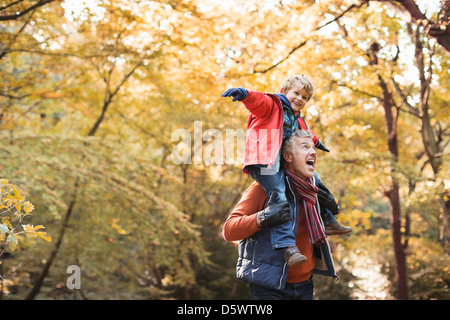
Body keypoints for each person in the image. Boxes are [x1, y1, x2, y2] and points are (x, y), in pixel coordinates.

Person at [221, 75, 351, 267]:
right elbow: (258, 101)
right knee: (279, 193)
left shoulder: (298, 119)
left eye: (305, 97)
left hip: (281, 163)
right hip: (263, 162)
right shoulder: (273, 106)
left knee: (315, 179)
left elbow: (307, 134)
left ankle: (328, 220)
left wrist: (317, 143)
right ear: (284, 92)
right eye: (296, 93)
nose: (300, 99)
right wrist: (244, 94)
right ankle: (287, 246)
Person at [222, 129, 339, 300]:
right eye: (305, 147)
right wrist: (264, 217)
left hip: (305, 284)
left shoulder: (312, 188)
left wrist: (331, 207)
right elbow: (229, 230)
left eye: (313, 148)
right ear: (288, 156)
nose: (313, 152)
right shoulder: (262, 189)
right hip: (269, 288)